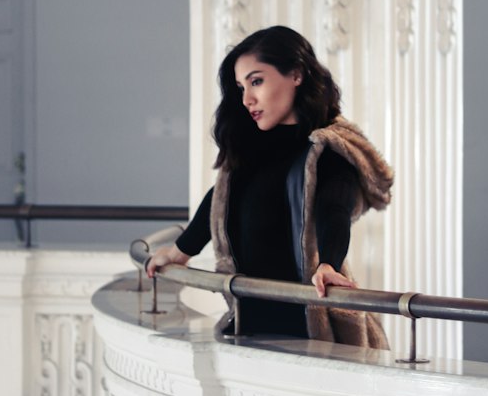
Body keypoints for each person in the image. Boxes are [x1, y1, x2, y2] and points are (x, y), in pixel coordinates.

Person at [147, 26, 393, 346]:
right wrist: (181, 251)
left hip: (305, 331)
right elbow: (220, 200)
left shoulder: (327, 149)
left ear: (296, 74)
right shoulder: (253, 148)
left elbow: (335, 209)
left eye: (256, 81)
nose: (247, 99)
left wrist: (330, 263)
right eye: (241, 86)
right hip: (249, 324)